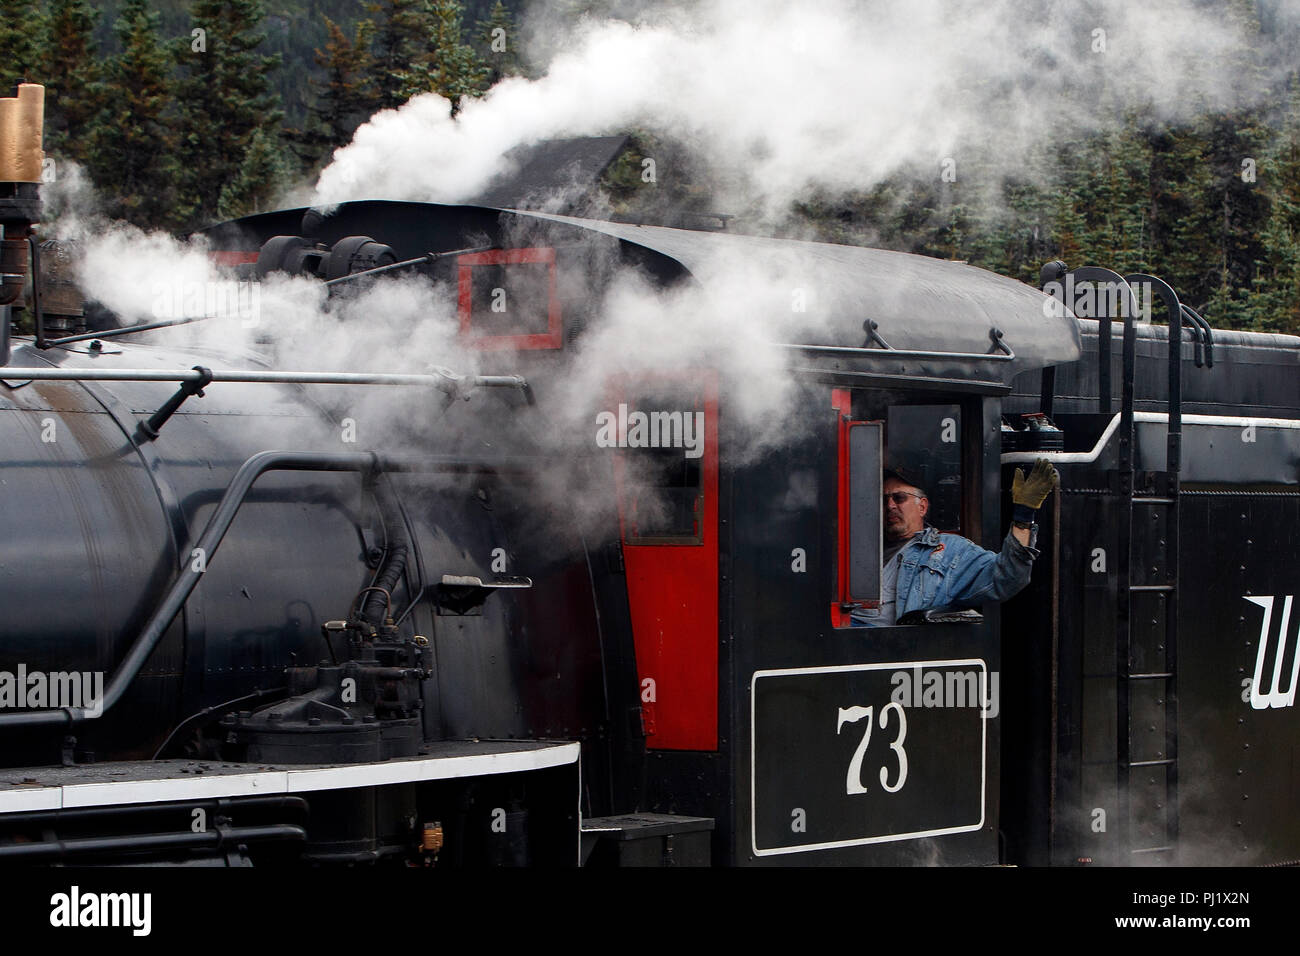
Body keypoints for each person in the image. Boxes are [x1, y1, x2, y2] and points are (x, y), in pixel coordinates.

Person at [851, 459, 1058, 627]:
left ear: (922, 507)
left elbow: (1008, 577)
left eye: (899, 498)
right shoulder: (860, 547)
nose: (890, 505)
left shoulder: (949, 551)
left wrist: (1023, 516)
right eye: (884, 499)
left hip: (888, 653)